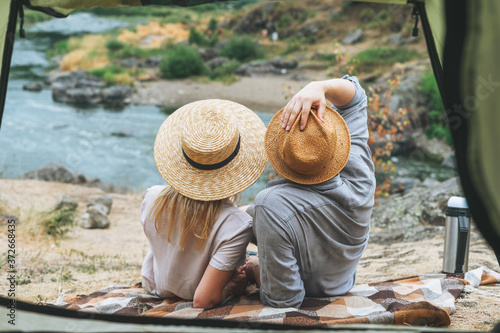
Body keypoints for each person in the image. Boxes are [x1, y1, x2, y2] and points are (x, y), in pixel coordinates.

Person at [245, 75, 376, 308]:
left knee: (248, 214)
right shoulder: (359, 176)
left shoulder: (273, 204)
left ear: (283, 154)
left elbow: (285, 299)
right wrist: (319, 86)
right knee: (245, 213)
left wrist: (256, 270)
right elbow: (356, 98)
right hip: (342, 279)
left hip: (313, 291)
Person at [141, 99, 268, 308]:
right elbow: (203, 300)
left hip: (155, 286)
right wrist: (232, 286)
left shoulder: (152, 197)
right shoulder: (237, 225)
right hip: (199, 291)